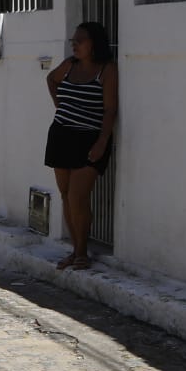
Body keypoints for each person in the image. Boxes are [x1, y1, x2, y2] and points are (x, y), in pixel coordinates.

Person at [43, 22, 118, 271]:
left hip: (89, 140)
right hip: (61, 136)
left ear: (94, 43)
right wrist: (60, 104)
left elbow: (109, 111)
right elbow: (51, 80)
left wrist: (101, 143)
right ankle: (75, 251)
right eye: (73, 40)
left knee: (78, 196)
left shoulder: (106, 70)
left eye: (80, 40)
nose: (74, 44)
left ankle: (82, 252)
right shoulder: (69, 65)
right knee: (65, 195)